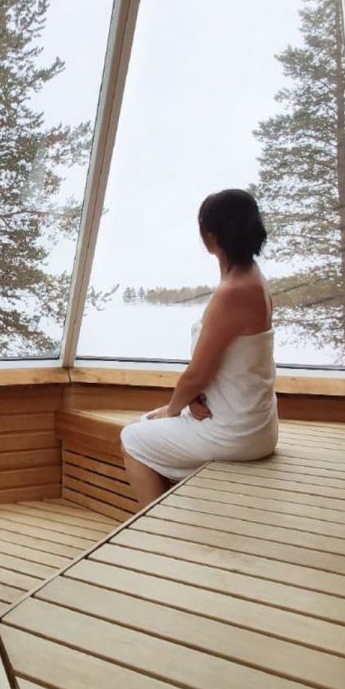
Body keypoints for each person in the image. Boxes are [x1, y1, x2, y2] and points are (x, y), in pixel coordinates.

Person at [120, 188, 278, 508]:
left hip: (236, 433)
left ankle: (155, 531)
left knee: (133, 437)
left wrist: (173, 408)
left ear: (209, 237)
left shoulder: (232, 292)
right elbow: (234, 363)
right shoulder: (254, 279)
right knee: (150, 426)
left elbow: (197, 373)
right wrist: (194, 399)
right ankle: (185, 514)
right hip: (255, 423)